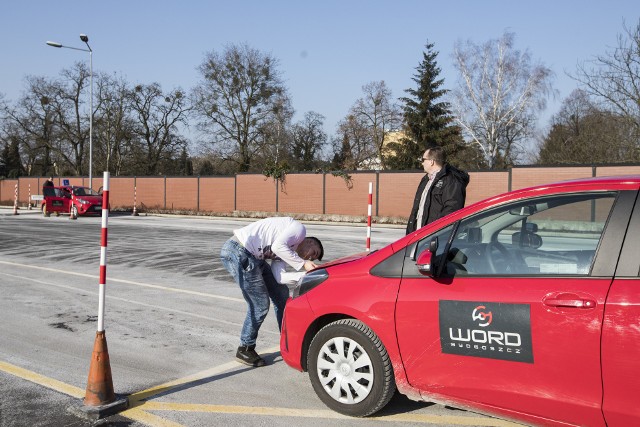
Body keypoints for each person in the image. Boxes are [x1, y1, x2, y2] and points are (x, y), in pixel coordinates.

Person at [220, 216, 324, 367]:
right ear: (309, 241)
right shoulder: (299, 230)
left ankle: (288, 342)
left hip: (254, 258)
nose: (310, 257)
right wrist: (304, 264)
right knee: (260, 304)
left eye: (313, 257)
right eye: (313, 252)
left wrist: (307, 275)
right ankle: (245, 348)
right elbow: (277, 247)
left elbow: (279, 277)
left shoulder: (287, 249)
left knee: (282, 296)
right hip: (238, 251)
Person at [406, 145, 470, 234]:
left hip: (435, 239)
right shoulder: (426, 180)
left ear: (431, 161)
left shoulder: (451, 181)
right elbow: (417, 210)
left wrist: (437, 235)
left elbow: (451, 211)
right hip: (418, 236)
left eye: (423, 160)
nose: (422, 163)